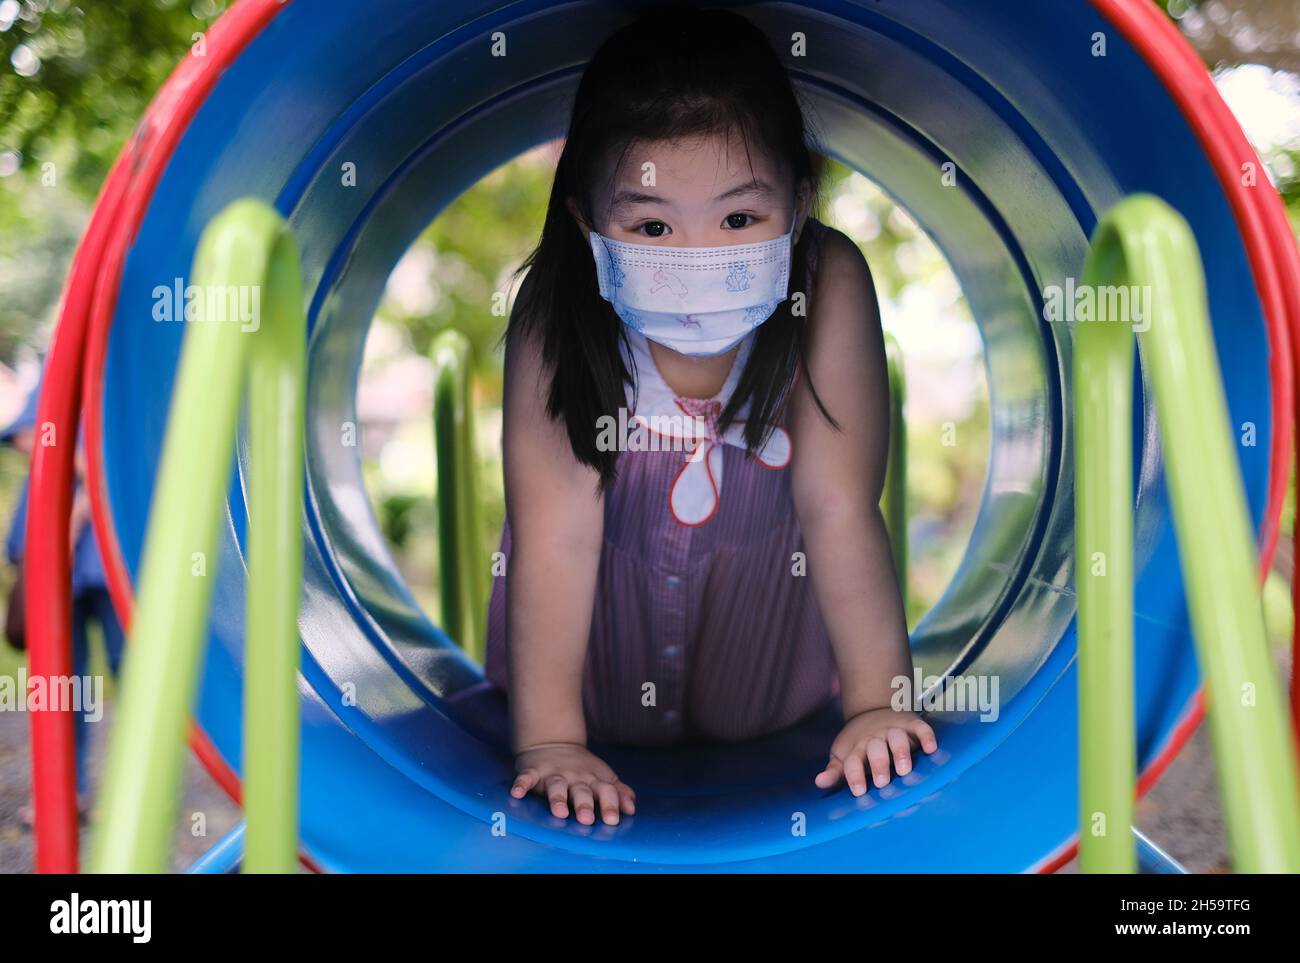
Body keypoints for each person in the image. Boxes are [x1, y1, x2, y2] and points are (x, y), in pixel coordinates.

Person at [484, 8, 938, 827]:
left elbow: (838, 506)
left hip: (769, 679)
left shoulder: (826, 281)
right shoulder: (558, 309)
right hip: (587, 669)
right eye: (652, 226)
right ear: (590, 224)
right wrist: (550, 741)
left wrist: (876, 705)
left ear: (799, 205)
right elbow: (557, 534)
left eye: (738, 219)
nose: (697, 259)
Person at [2, 377, 125, 815]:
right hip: (53, 546)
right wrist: (86, 470)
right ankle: (65, 792)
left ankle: (135, 791)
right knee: (61, 680)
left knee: (131, 672)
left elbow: (134, 464)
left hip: (109, 548)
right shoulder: (63, 363)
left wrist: (82, 505)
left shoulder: (125, 378)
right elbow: (22, 433)